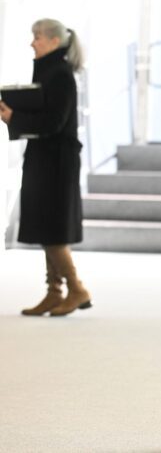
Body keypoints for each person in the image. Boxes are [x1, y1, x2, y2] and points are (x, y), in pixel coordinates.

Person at [0, 19, 91, 317]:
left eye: (37, 37)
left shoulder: (60, 75)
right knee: (47, 226)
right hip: (46, 158)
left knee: (51, 229)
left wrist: (15, 117)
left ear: (53, 41)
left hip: (57, 162)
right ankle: (54, 292)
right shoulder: (50, 72)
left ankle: (76, 289)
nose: (32, 42)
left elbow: (54, 122)